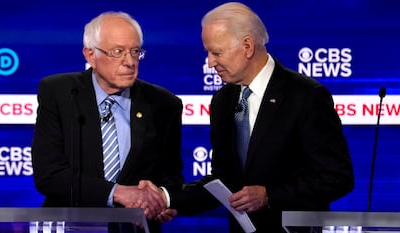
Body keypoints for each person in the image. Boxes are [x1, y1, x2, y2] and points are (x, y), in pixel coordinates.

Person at [166, 2, 355, 233]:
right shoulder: (222, 101)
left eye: (216, 52)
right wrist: (167, 199)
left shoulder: (305, 97)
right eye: (208, 52)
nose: (210, 62)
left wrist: (269, 196)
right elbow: (224, 182)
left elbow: (336, 177)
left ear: (247, 46)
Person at [31, 11, 183, 233]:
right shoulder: (60, 93)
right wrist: (118, 192)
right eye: (118, 52)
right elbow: (49, 175)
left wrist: (161, 199)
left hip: (134, 228)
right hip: (71, 225)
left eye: (135, 51)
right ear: (90, 55)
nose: (129, 62)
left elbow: (172, 176)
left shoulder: (163, 104)